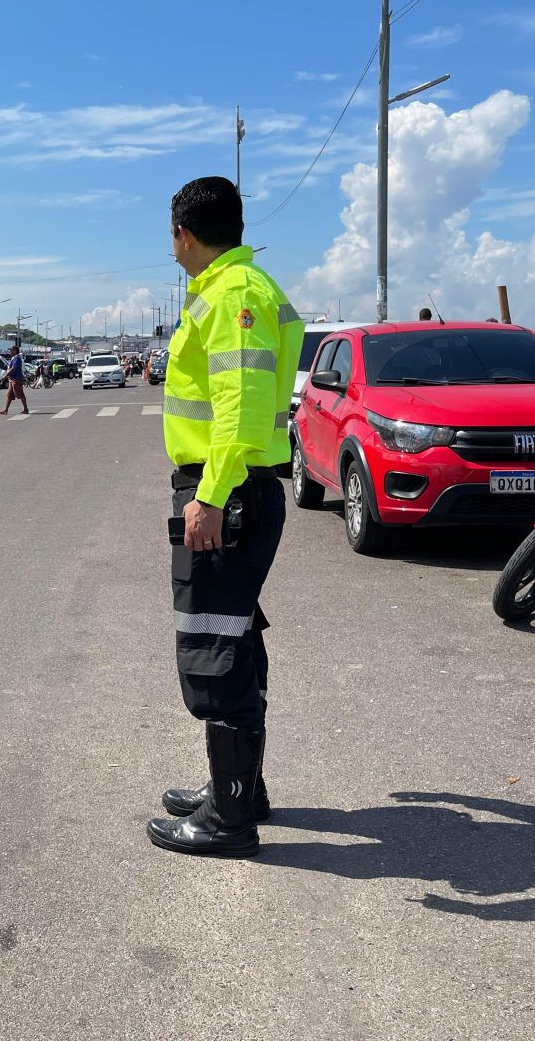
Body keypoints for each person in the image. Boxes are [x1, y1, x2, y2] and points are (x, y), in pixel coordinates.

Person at [145, 176, 303, 860]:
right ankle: (237, 788)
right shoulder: (250, 288)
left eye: (171, 234)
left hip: (227, 491)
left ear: (184, 232)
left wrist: (208, 498)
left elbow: (238, 408)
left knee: (213, 650)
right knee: (235, 637)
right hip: (241, 486)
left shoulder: (232, 296)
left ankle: (228, 821)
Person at [0, 344, 29, 415]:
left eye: (11, 350)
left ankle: (26, 409)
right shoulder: (14, 358)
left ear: (15, 351)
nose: (10, 351)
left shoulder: (17, 358)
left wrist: (5, 376)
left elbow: (13, 368)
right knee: (9, 395)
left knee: (20, 393)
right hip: (12, 379)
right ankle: (6, 410)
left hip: (16, 379)